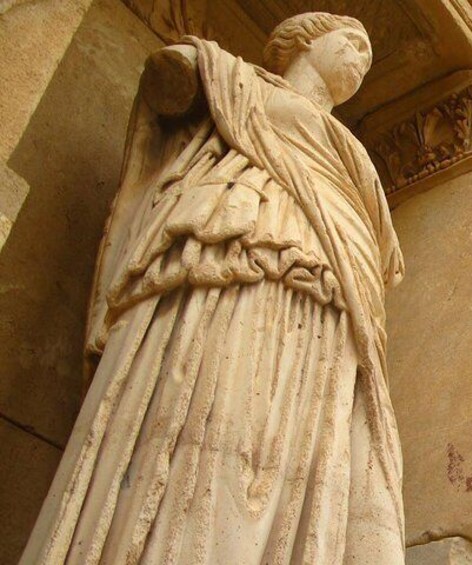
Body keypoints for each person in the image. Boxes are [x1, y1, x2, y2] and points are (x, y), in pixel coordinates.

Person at [22, 12, 405, 564]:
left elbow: (384, 255)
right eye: (351, 42)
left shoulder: (351, 154)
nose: (361, 59)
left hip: (328, 298)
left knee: (295, 456)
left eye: (370, 56)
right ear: (305, 41)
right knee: (200, 414)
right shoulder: (232, 79)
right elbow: (167, 82)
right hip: (231, 257)